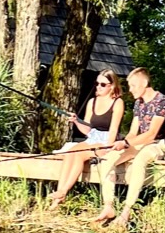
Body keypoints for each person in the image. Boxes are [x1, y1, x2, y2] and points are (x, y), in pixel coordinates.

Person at [92, 67, 165, 230]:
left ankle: (126, 211)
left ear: (144, 83)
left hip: (159, 144)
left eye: (133, 86)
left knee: (139, 161)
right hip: (139, 143)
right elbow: (132, 133)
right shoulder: (138, 103)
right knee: (108, 159)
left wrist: (128, 144)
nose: (130, 90)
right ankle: (108, 206)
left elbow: (151, 134)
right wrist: (119, 144)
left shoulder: (162, 101)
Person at [48, 71, 125, 210]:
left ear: (112, 86)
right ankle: (60, 193)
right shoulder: (92, 102)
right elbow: (88, 129)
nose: (98, 87)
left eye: (102, 84)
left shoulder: (118, 103)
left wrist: (107, 147)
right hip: (93, 138)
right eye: (97, 83)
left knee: (79, 154)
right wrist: (76, 121)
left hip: (107, 140)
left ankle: (64, 191)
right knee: (70, 152)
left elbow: (114, 129)